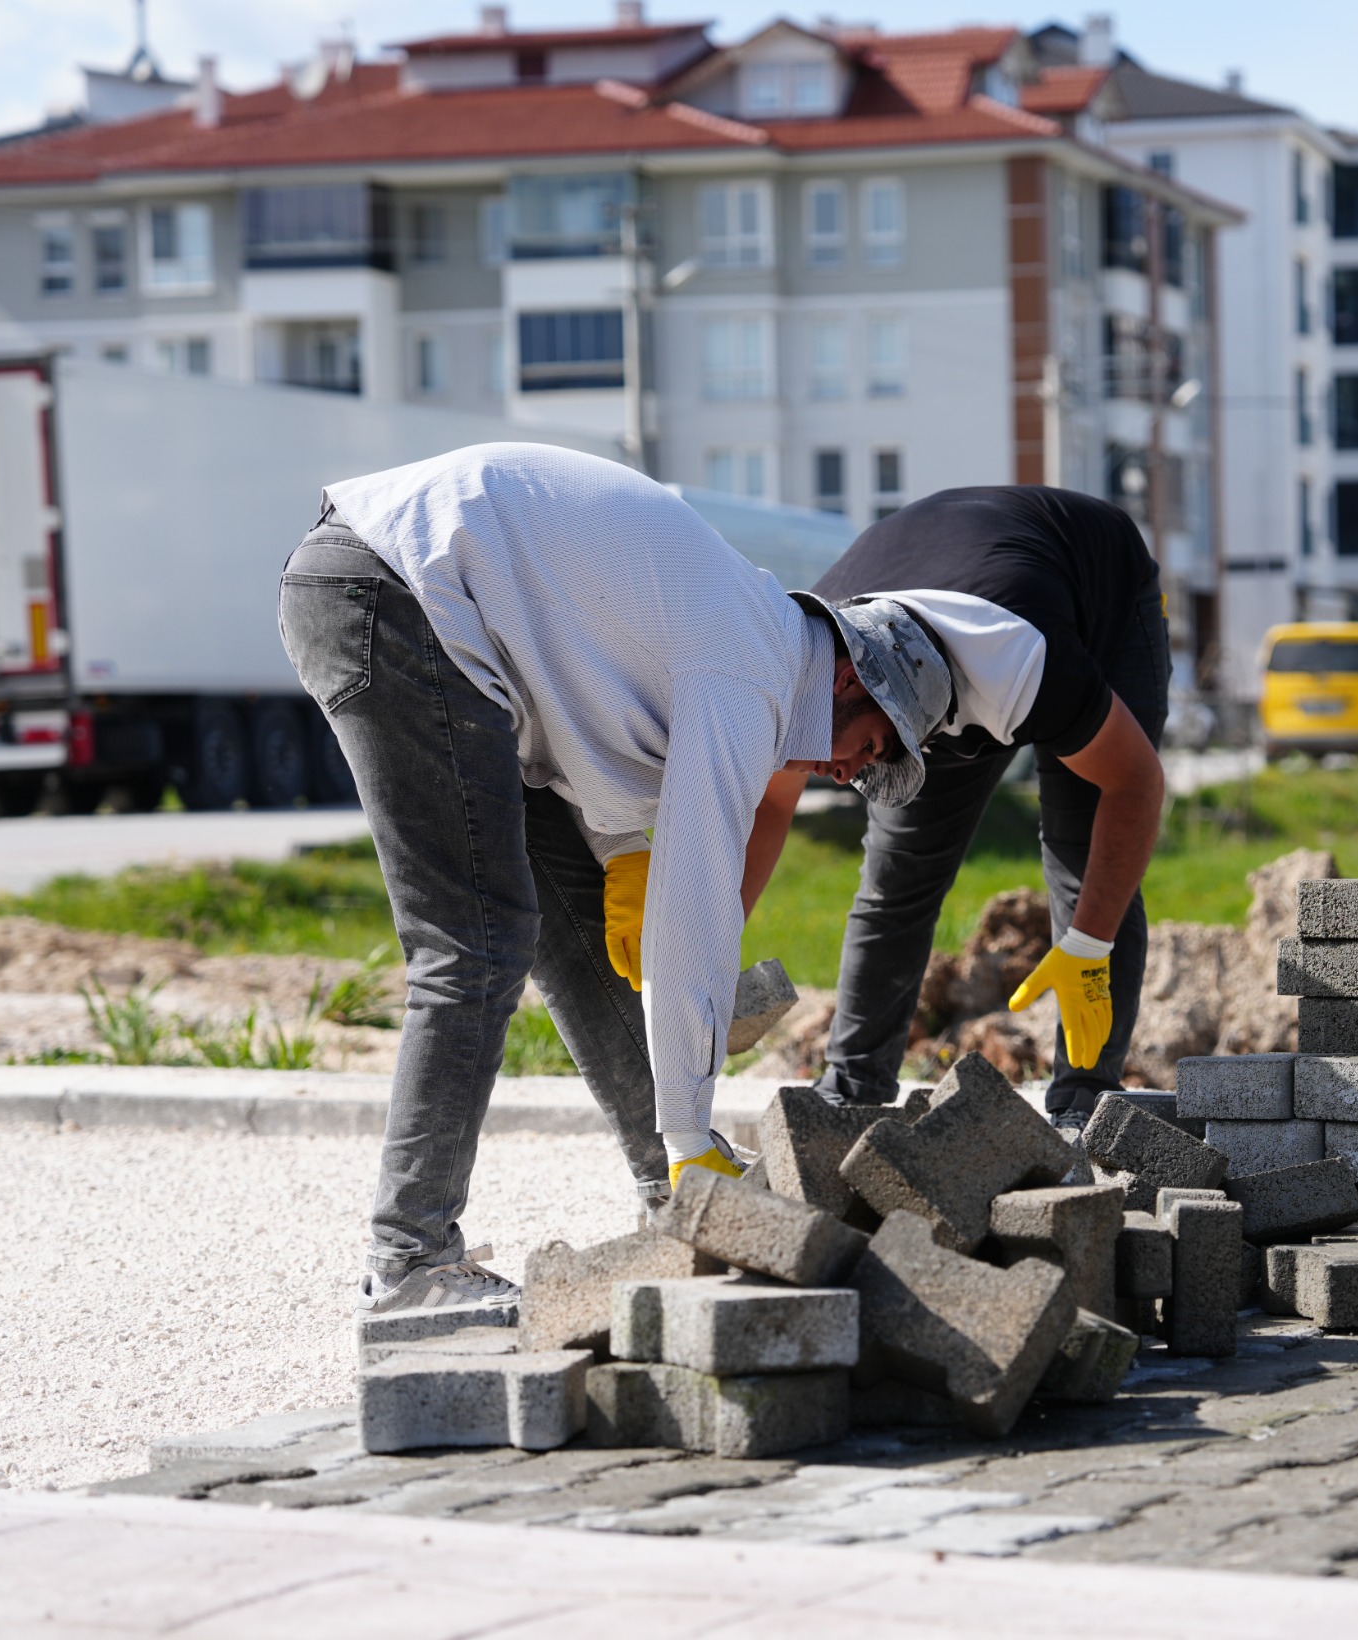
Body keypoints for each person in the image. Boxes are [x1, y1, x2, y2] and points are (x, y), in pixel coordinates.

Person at [280, 443, 950, 1318]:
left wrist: (619, 849)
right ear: (852, 679)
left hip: (439, 614)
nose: (854, 773)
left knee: (576, 934)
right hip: (396, 592)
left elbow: (581, 691)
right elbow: (696, 916)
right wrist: (690, 1130)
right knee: (475, 941)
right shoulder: (755, 671)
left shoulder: (751, 639)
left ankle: (674, 1199)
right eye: (873, 750)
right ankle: (411, 1264)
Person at [741, 485, 1170, 1127]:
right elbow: (769, 811)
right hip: (928, 604)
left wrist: (1087, 945)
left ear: (857, 688)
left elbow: (1135, 787)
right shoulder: (797, 668)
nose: (845, 776)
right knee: (899, 873)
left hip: (1092, 590)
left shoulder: (1019, 665)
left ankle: (1084, 1103)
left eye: (870, 751)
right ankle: (850, 1090)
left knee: (1086, 863)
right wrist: (715, 946)